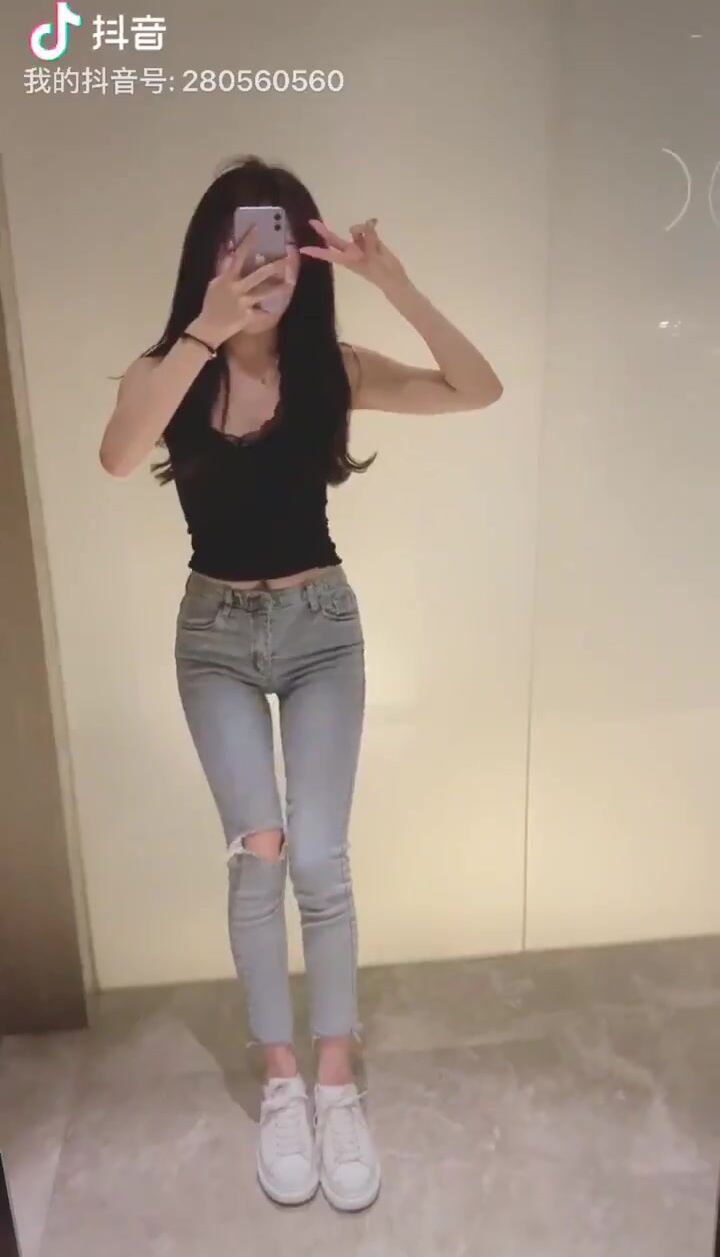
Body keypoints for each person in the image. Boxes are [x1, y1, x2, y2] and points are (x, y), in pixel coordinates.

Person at [99, 154, 503, 1212]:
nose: (264, 264)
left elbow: (478, 388)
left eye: (279, 243)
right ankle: (279, 1078)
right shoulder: (172, 367)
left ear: (305, 255)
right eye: (241, 241)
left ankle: (334, 1081)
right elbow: (117, 455)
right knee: (260, 855)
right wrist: (203, 332)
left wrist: (394, 283)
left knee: (320, 858)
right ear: (210, 255)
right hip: (214, 639)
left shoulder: (333, 367)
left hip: (322, 630)